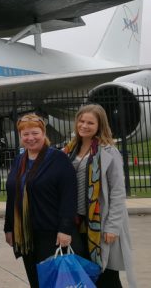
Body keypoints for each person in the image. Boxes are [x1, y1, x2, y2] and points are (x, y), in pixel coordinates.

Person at [63, 104, 137, 288]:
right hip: (76, 223)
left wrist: (112, 227)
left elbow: (118, 193)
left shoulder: (109, 152)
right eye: (81, 121)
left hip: (100, 223)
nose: (84, 126)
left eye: (90, 122)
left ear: (99, 125)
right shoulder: (69, 151)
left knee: (107, 276)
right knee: (85, 274)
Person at [4, 113, 77, 288]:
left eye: (35, 133)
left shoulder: (58, 159)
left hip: (51, 233)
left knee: (53, 283)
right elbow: (12, 195)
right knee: (35, 281)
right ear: (20, 137)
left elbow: (69, 196)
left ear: (44, 133)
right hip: (26, 233)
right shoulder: (19, 160)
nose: (30, 138)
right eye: (25, 134)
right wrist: (9, 228)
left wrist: (65, 229)